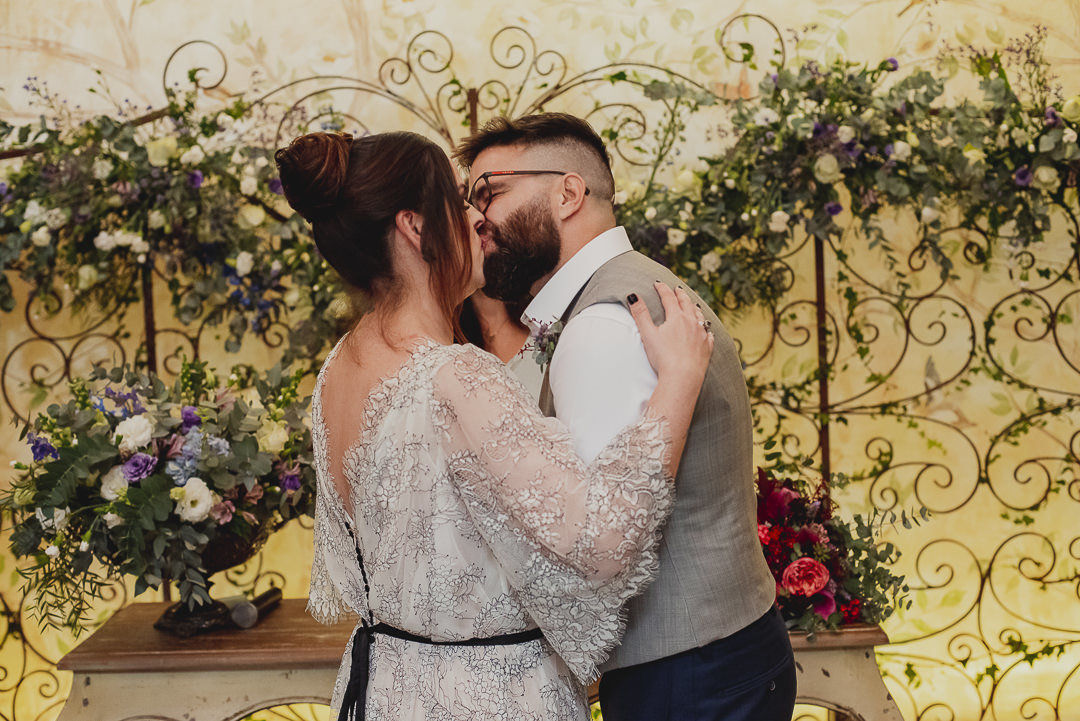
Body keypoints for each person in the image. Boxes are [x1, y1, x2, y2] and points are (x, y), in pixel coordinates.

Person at [274, 130, 715, 721]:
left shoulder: (339, 369)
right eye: (460, 203)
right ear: (415, 227)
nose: (479, 220)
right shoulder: (455, 377)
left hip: (387, 690)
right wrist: (679, 382)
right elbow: (600, 541)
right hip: (485, 697)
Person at [455, 113, 797, 721]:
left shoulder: (603, 325)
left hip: (682, 673)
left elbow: (598, 544)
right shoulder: (632, 289)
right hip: (719, 650)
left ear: (567, 193)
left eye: (491, 191)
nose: (478, 216)